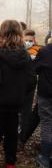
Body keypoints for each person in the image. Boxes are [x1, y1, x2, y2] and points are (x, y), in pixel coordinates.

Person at [0, 20, 34, 168]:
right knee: (12, 134)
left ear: (1, 32)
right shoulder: (25, 55)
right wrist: (21, 95)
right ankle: (10, 162)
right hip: (15, 104)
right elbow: (31, 80)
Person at [18, 29, 40, 147]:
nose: (28, 42)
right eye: (26, 40)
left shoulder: (38, 51)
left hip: (30, 85)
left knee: (26, 112)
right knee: (16, 110)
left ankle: (21, 137)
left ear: (34, 40)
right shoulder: (17, 50)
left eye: (30, 41)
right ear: (22, 39)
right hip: (17, 85)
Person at [34, 38, 52, 168]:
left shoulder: (45, 50)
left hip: (46, 93)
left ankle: (45, 157)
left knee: (47, 123)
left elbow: (35, 68)